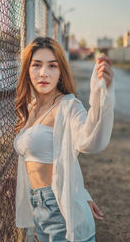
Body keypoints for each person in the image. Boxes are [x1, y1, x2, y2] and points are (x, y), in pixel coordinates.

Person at [13, 37, 115, 242]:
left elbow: (90, 140)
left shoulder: (69, 107)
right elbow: (61, 160)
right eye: (36, 65)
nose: (44, 73)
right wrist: (82, 193)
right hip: (39, 209)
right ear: (27, 70)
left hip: (61, 211)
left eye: (52, 66)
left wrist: (101, 92)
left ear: (60, 72)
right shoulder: (32, 107)